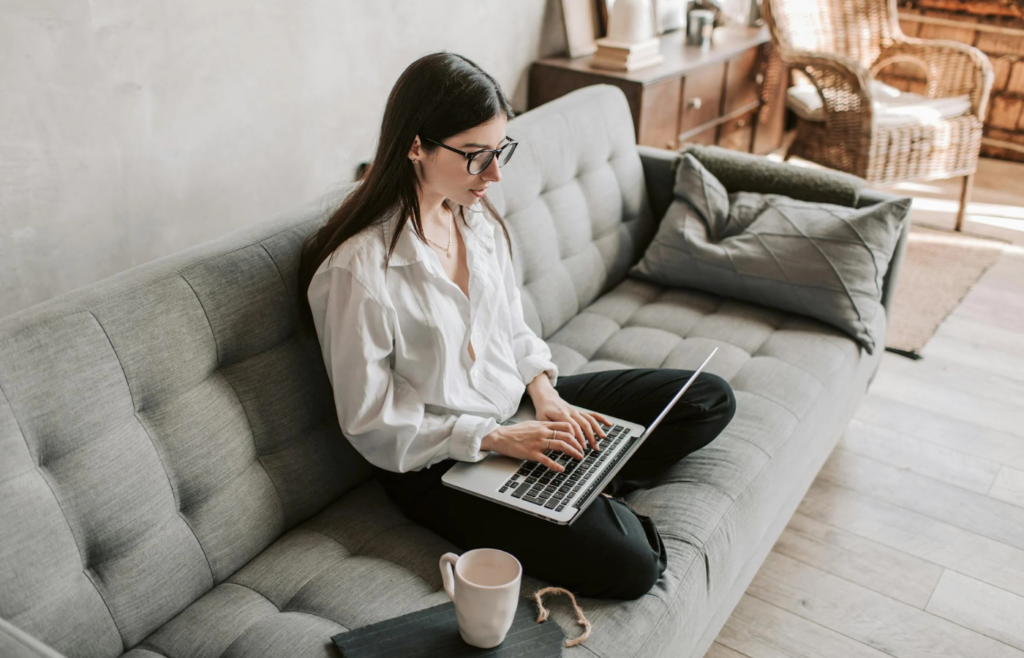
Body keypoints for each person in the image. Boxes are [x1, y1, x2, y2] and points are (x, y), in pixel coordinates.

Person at [298, 52, 736, 600]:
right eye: (478, 156)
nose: (496, 174)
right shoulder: (357, 271)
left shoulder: (472, 217)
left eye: (500, 150)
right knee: (634, 566)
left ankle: (575, 479)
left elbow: (511, 326)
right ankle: (579, 487)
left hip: (518, 410)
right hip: (440, 461)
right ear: (416, 146)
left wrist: (546, 395)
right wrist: (497, 439)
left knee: (707, 399)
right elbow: (372, 423)